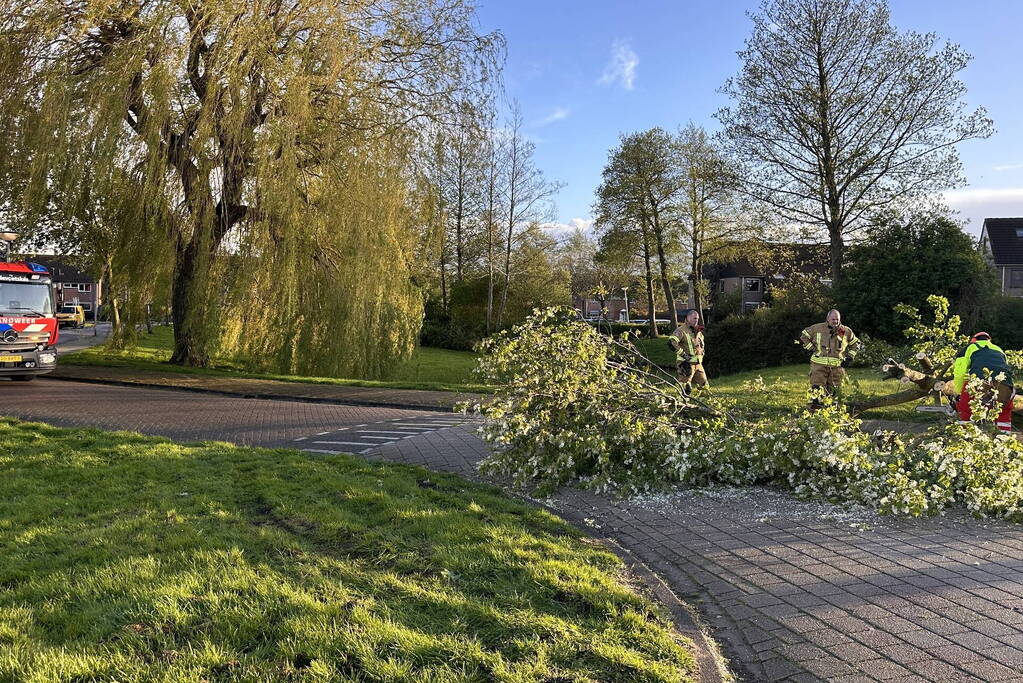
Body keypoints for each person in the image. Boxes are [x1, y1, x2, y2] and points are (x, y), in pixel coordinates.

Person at [952, 332, 1015, 433]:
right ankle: (1004, 439)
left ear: (973, 340)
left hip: (978, 381)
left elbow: (960, 372)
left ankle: (964, 437)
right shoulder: (999, 349)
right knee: (1003, 411)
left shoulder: (970, 347)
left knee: (966, 409)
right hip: (1005, 382)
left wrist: (959, 393)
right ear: (989, 340)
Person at [799, 309, 861, 406]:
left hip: (837, 368)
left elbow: (856, 343)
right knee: (816, 390)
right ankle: (814, 411)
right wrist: (811, 348)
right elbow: (804, 336)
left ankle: (833, 413)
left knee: (835, 392)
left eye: (837, 319)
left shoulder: (844, 331)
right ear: (827, 318)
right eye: (833, 319)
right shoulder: (817, 328)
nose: (835, 321)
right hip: (818, 366)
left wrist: (850, 357)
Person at [668, 309, 708, 391]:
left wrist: (701, 352)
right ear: (688, 318)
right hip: (685, 364)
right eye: (694, 318)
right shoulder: (681, 330)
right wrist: (683, 355)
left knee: (704, 387)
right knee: (686, 389)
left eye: (697, 318)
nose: (696, 320)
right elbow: (671, 343)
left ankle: (702, 403)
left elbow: (700, 345)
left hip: (698, 364)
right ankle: (683, 403)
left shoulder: (698, 331)